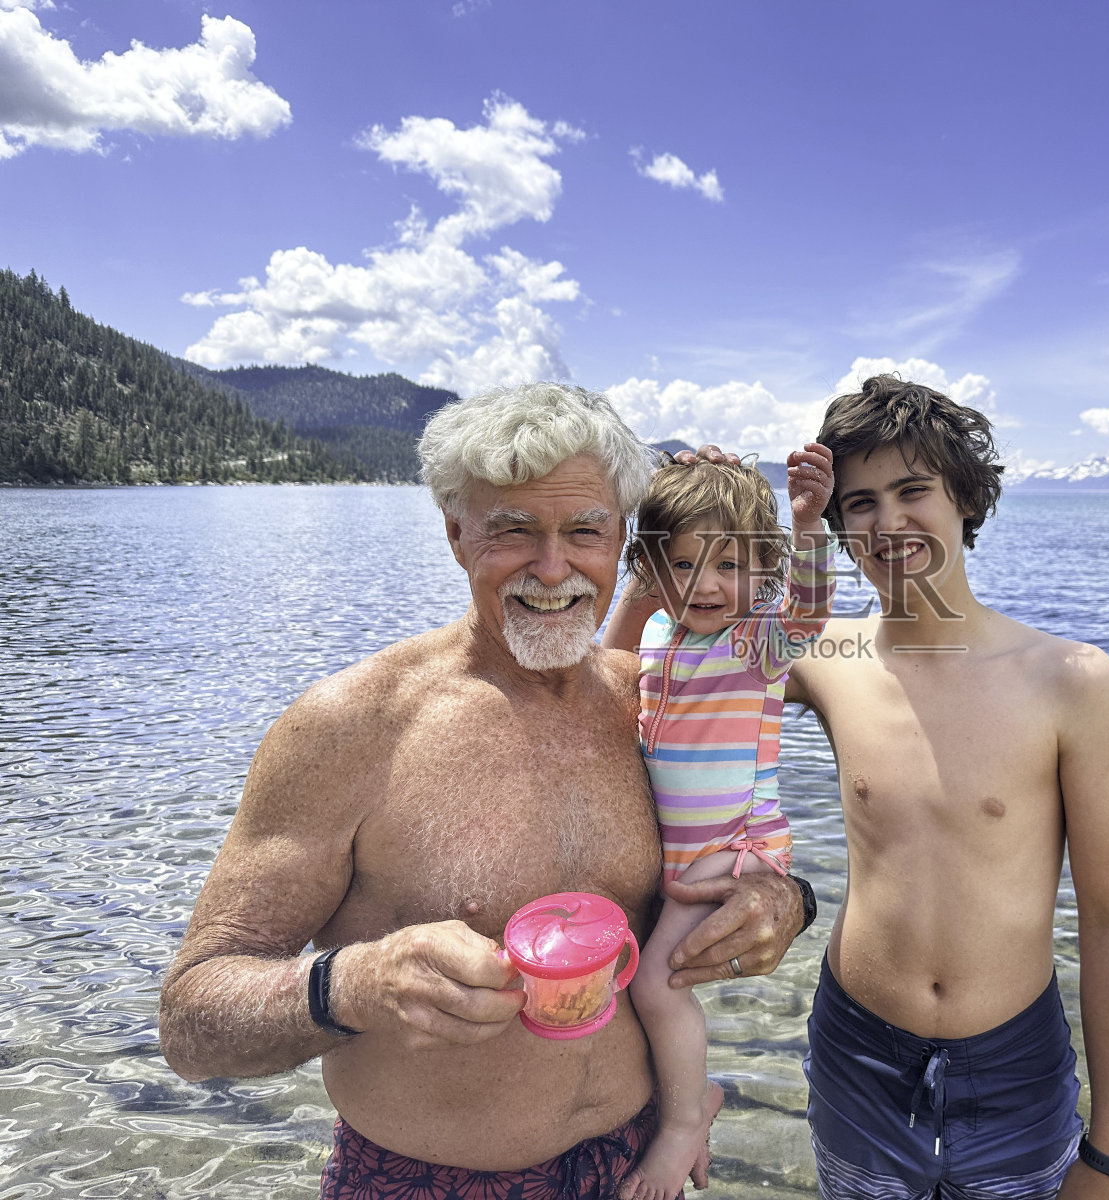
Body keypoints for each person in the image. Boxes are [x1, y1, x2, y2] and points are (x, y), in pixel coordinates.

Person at [157, 383, 811, 1200]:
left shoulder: (642, 700)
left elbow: (730, 817)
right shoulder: (354, 726)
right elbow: (191, 1022)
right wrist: (354, 983)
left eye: (584, 530)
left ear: (621, 544)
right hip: (423, 1180)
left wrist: (785, 902)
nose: (553, 566)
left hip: (638, 1165)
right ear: (456, 533)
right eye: (513, 529)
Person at [695, 375, 1109, 1198]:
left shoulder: (1071, 681)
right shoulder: (823, 656)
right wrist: (701, 498)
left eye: (914, 490)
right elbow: (677, 646)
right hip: (858, 1055)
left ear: (966, 500)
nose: (888, 522)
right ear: (838, 525)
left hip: (1013, 1065)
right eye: (860, 503)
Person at [600, 446, 835, 1200]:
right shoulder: (662, 638)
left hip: (733, 847)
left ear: (762, 571)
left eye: (729, 565)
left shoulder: (756, 642)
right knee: (643, 978)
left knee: (659, 988)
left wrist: (806, 522)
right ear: (651, 571)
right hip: (689, 851)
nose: (705, 584)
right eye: (682, 564)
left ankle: (684, 1120)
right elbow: (607, 675)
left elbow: (809, 609)